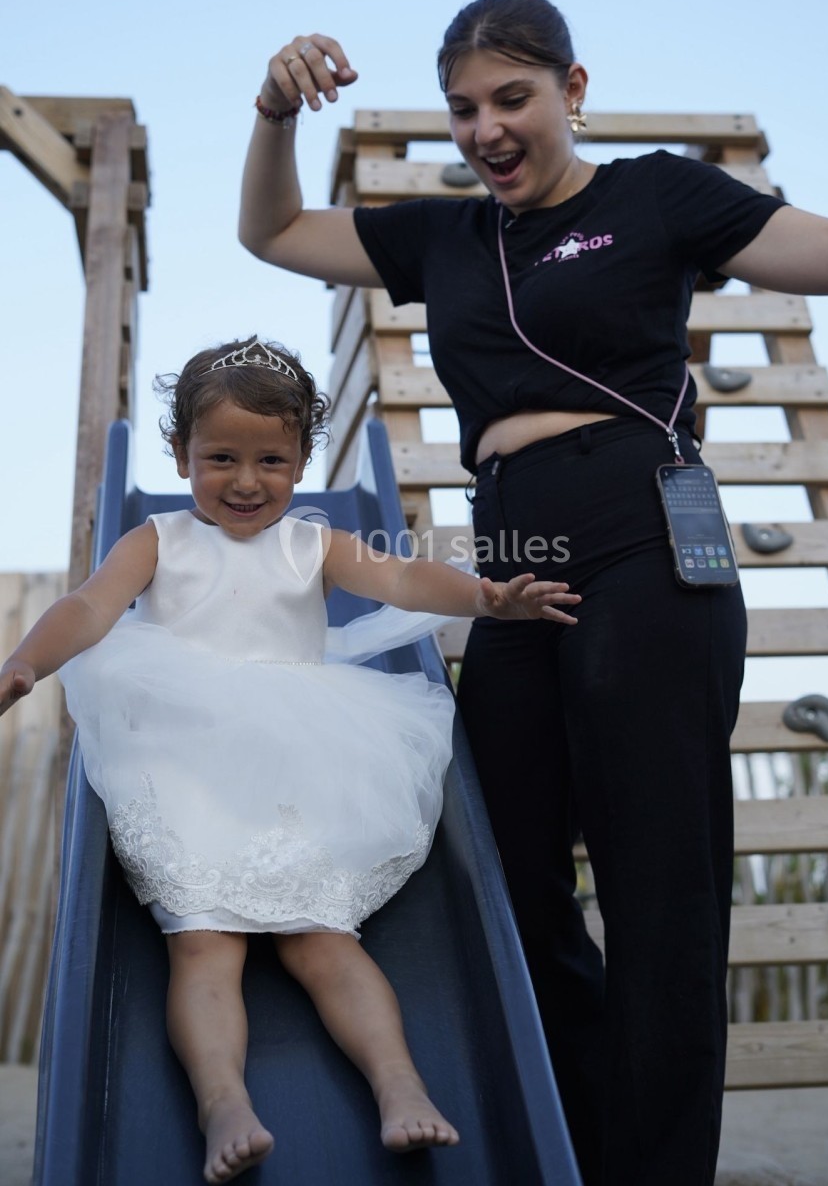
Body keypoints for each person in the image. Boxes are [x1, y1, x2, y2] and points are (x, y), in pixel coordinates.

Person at [236, 0, 828, 1186]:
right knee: (508, 862)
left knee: (657, 875)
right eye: (465, 109)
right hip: (512, 557)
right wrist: (272, 110)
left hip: (640, 527)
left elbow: (826, 252)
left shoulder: (657, 194)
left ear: (572, 91)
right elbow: (274, 233)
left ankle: (653, 1167)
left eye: (512, 99)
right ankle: (575, 1135)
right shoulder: (441, 240)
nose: (485, 129)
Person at [0, 335, 580, 1185]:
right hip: (187, 761)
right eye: (221, 458)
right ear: (180, 456)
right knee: (203, 945)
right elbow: (91, 606)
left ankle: (400, 1086)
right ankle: (222, 1101)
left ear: (303, 460)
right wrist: (27, 661)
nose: (245, 480)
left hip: (302, 764)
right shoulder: (157, 540)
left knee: (326, 942)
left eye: (271, 460)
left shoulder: (314, 546)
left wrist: (488, 598)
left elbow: (408, 581)